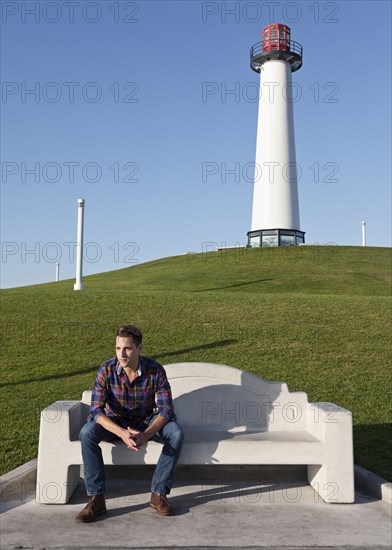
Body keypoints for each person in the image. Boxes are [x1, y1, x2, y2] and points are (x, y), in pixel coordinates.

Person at [75, 325, 184, 522]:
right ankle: (96, 499)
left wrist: (146, 434)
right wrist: (122, 433)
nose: (121, 354)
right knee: (87, 433)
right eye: (118, 348)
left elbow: (166, 410)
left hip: (146, 420)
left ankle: (158, 494)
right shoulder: (106, 370)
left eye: (127, 348)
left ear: (139, 349)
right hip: (115, 421)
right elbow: (96, 410)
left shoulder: (155, 370)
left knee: (175, 433)